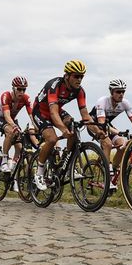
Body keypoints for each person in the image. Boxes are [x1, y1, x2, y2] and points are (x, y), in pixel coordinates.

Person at [31, 60, 104, 191]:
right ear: (67, 76)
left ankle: (67, 159)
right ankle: (39, 172)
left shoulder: (80, 91)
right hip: (40, 111)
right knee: (52, 139)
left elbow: (85, 116)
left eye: (82, 76)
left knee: (73, 125)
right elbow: (53, 113)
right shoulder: (54, 85)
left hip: (56, 111)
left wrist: (97, 131)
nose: (79, 79)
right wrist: (63, 129)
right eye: (76, 76)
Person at [89, 79, 132, 188]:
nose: (121, 94)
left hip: (107, 125)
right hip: (94, 125)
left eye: (123, 91)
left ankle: (113, 168)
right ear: (111, 92)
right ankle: (107, 174)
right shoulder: (103, 101)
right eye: (118, 92)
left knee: (122, 144)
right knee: (108, 144)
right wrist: (117, 131)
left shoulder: (125, 103)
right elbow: (101, 124)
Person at [0, 77, 36, 186]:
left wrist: (37, 126)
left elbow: (32, 115)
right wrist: (14, 126)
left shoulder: (26, 99)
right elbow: (7, 115)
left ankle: (12, 171)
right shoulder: (6, 96)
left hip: (13, 121)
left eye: (24, 89)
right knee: (10, 131)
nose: (21, 92)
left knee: (19, 147)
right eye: (19, 89)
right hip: (2, 119)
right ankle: (4, 160)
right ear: (13, 88)